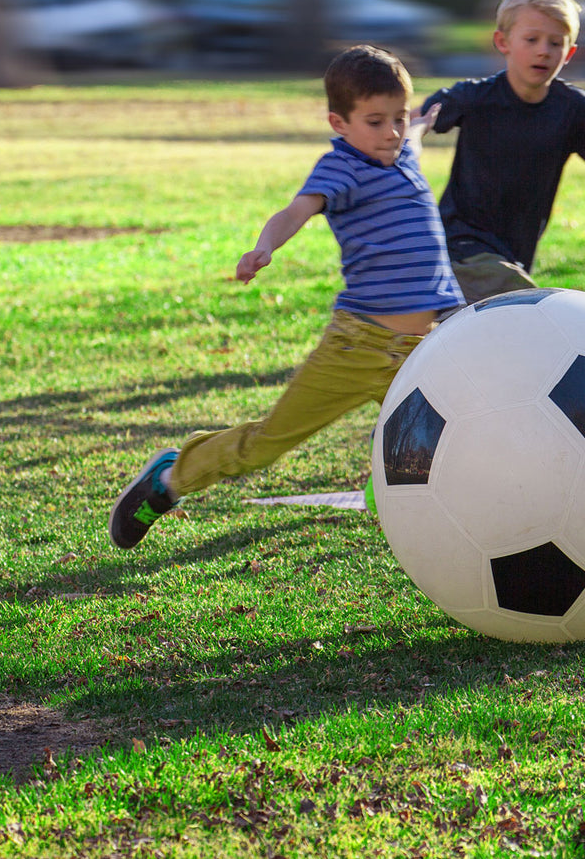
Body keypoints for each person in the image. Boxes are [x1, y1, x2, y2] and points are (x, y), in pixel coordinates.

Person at [109, 44, 464, 550]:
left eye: (397, 117)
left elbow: (412, 136)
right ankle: (170, 479)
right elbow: (295, 212)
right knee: (265, 446)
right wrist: (264, 247)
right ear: (339, 123)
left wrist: (423, 122)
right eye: (374, 121)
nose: (389, 132)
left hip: (418, 351)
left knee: (457, 436)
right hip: (357, 347)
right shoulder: (341, 168)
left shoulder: (400, 149)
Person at [418, 0, 585, 303]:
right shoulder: (475, 96)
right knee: (526, 309)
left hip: (514, 252)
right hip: (459, 241)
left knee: (482, 325)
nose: (543, 51)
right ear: (502, 42)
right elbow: (417, 119)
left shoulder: (574, 109)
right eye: (532, 39)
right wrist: (401, 142)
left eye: (555, 43)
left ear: (570, 53)